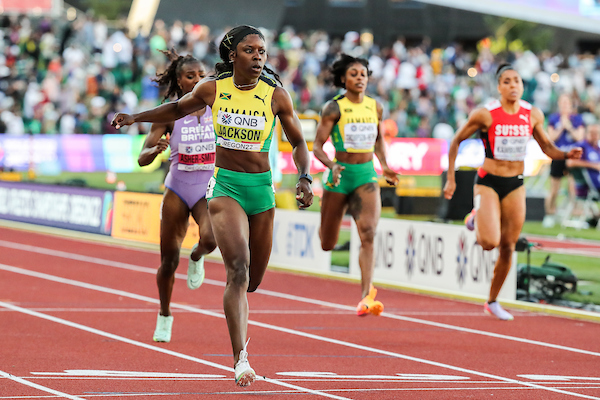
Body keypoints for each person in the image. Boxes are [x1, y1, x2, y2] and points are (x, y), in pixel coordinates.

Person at [112, 25, 313, 387]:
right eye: (250, 50)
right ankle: (241, 360)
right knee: (238, 270)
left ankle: (230, 297)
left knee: (253, 281)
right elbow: (175, 107)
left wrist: (304, 177)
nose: (258, 57)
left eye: (262, 51)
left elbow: (299, 142)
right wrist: (135, 118)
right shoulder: (213, 89)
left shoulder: (276, 95)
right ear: (232, 55)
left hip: (261, 192)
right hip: (224, 189)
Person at [443, 63, 582, 321]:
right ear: (499, 87)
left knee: (508, 246)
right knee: (488, 243)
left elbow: (547, 147)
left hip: (516, 183)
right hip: (488, 181)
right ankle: (475, 216)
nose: (513, 85)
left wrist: (565, 154)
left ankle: (492, 301)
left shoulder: (532, 114)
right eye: (507, 81)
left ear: (522, 85)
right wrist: (451, 179)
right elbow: (456, 141)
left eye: (516, 81)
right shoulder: (485, 114)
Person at [136, 50, 217, 344]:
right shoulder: (170, 112)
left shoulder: (218, 107)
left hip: (207, 186)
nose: (197, 80)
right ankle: (165, 314)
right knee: (168, 260)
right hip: (178, 186)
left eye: (201, 75)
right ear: (179, 81)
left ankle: (196, 257)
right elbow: (142, 158)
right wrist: (154, 151)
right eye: (190, 76)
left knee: (210, 240)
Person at [313, 54, 398, 317]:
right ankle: (330, 231)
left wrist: (384, 164)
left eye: (363, 74)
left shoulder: (376, 106)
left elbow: (379, 140)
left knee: (369, 233)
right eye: (354, 74)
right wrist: (331, 165)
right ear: (343, 79)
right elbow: (316, 146)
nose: (360, 78)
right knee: (328, 242)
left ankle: (365, 296)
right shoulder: (333, 108)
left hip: (365, 175)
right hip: (340, 175)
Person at [543, 93, 585, 227]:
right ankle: (550, 214)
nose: (565, 105)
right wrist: (561, 126)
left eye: (567, 102)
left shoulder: (577, 119)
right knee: (554, 188)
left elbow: (580, 137)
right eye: (562, 102)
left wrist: (569, 127)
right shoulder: (554, 118)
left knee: (574, 187)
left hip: (573, 156)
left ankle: (574, 214)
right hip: (558, 155)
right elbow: (551, 138)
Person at [566, 123, 600, 225]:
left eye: (596, 133)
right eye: (591, 132)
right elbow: (570, 162)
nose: (594, 135)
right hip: (589, 186)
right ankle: (595, 218)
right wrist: (594, 165)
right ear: (586, 133)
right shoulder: (581, 146)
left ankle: (595, 218)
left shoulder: (597, 148)